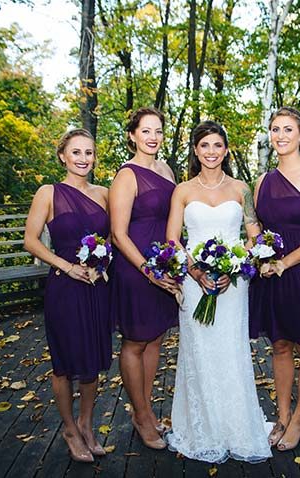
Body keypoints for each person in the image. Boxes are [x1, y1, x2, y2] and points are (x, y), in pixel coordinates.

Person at [164, 121, 271, 463]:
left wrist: (237, 266)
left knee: (231, 350)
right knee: (198, 352)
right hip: (195, 283)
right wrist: (193, 270)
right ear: (196, 151)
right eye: (204, 145)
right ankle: (202, 428)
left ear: (226, 150)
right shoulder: (182, 190)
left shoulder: (242, 189)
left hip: (233, 285)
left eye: (217, 145)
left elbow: (255, 237)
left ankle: (236, 427)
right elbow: (171, 239)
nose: (211, 152)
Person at [23, 128, 111, 463]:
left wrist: (103, 264)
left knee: (92, 360)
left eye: (89, 153)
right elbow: (30, 240)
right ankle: (70, 428)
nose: (83, 159)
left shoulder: (103, 193)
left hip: (96, 286)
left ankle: (87, 424)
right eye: (76, 152)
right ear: (63, 156)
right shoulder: (48, 192)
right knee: (64, 362)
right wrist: (67, 266)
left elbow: (114, 236)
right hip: (64, 285)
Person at [249, 106, 300, 451]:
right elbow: (256, 227)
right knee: (280, 344)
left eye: (287, 129)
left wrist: (286, 263)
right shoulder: (262, 182)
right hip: (271, 273)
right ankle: (281, 416)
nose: (280, 136)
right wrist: (259, 254)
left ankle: (299, 418)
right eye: (274, 129)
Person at [108, 107, 178, 450]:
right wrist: (148, 270)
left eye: (158, 131)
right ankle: (139, 414)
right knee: (135, 341)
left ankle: (147, 410)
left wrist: (173, 264)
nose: (153, 137)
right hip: (136, 268)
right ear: (132, 135)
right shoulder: (126, 176)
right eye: (146, 131)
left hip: (164, 266)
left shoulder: (166, 170)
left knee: (156, 338)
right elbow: (118, 234)